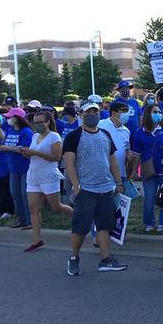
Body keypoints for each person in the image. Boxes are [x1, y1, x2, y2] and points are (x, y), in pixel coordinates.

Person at [63, 101, 127, 275]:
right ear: (81, 115)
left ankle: (105, 259)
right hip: (86, 190)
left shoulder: (105, 134)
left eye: (95, 111)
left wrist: (118, 182)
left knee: (104, 225)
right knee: (80, 228)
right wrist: (76, 187)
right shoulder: (74, 136)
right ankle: (74, 258)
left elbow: (112, 161)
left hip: (106, 188)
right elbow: (69, 163)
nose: (93, 114)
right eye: (88, 111)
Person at [22, 111, 72, 252]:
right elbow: (33, 153)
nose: (37, 125)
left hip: (48, 175)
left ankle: (78, 218)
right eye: (35, 122)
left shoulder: (54, 137)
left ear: (48, 122)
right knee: (33, 208)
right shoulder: (35, 135)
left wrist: (35, 153)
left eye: (40, 122)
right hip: (33, 175)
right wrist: (27, 153)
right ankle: (37, 239)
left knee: (56, 206)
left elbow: (56, 157)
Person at [132, 104, 163, 232]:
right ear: (147, 114)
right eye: (155, 111)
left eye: (159, 111)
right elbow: (137, 154)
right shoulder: (140, 133)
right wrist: (134, 170)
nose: (158, 114)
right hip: (148, 170)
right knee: (149, 198)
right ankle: (149, 223)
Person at [0, 108, 34, 229]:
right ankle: (21, 219)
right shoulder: (10, 130)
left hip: (25, 167)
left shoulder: (26, 132)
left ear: (17, 118)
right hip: (13, 167)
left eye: (10, 117)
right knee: (15, 195)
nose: (8, 119)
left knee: (25, 196)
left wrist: (7, 148)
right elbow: (8, 144)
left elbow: (26, 149)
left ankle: (30, 221)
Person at [97, 100, 134, 183]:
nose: (126, 115)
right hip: (104, 173)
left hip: (121, 173)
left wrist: (130, 157)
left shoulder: (126, 131)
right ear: (113, 113)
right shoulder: (100, 125)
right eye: (123, 112)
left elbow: (126, 150)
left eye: (127, 112)